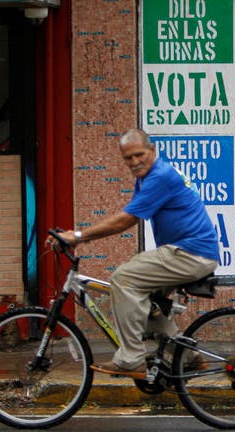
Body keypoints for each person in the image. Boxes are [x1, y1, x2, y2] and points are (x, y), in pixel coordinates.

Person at [52, 128, 219, 377]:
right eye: (128, 158)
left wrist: (79, 236)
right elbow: (128, 214)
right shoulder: (146, 178)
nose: (134, 162)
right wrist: (79, 237)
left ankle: (131, 359)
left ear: (153, 150)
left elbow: (125, 220)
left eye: (139, 154)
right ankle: (189, 357)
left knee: (123, 279)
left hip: (190, 252)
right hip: (187, 252)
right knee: (150, 307)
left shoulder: (160, 176)